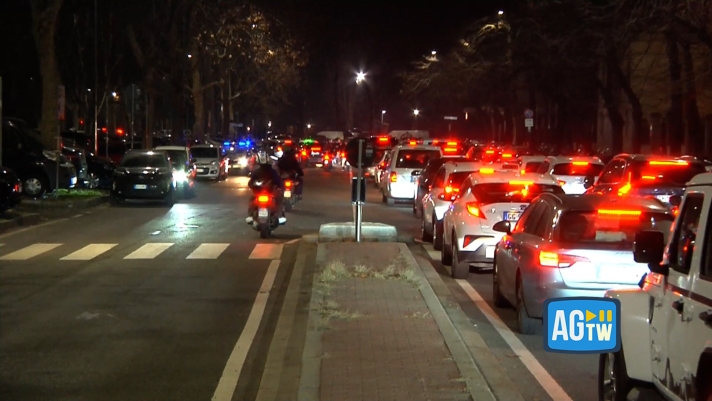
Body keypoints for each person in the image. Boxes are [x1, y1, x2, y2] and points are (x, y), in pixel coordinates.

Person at [246, 150, 286, 225]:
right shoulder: (271, 171)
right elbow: (251, 182)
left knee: (279, 200)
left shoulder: (259, 171)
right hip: (262, 193)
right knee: (279, 200)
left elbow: (250, 182)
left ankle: (251, 215)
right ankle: (279, 216)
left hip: (268, 193)